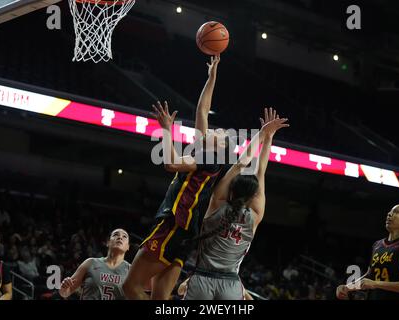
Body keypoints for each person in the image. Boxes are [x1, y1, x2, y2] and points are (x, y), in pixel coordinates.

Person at [124, 55, 236, 300]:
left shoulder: (210, 158)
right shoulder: (206, 153)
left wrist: (166, 130)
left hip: (175, 223)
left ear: (220, 146)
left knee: (130, 286)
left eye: (218, 133)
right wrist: (212, 76)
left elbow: (171, 163)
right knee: (160, 297)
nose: (213, 130)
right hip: (186, 232)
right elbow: (202, 110)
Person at [183, 108, 289, 300]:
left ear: (230, 191)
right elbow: (260, 171)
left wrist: (261, 133)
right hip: (230, 286)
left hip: (202, 280)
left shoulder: (218, 203)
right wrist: (269, 138)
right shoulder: (254, 216)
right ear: (253, 196)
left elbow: (241, 163)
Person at [336, 203, 399, 300]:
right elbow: (370, 275)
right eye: (390, 212)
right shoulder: (377, 245)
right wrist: (347, 287)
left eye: (396, 212)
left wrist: (376, 284)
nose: (389, 214)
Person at [59, 229, 131, 300]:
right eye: (115, 235)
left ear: (128, 247)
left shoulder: (131, 270)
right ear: (108, 242)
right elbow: (65, 293)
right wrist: (64, 288)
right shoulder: (90, 263)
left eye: (124, 236)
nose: (120, 237)